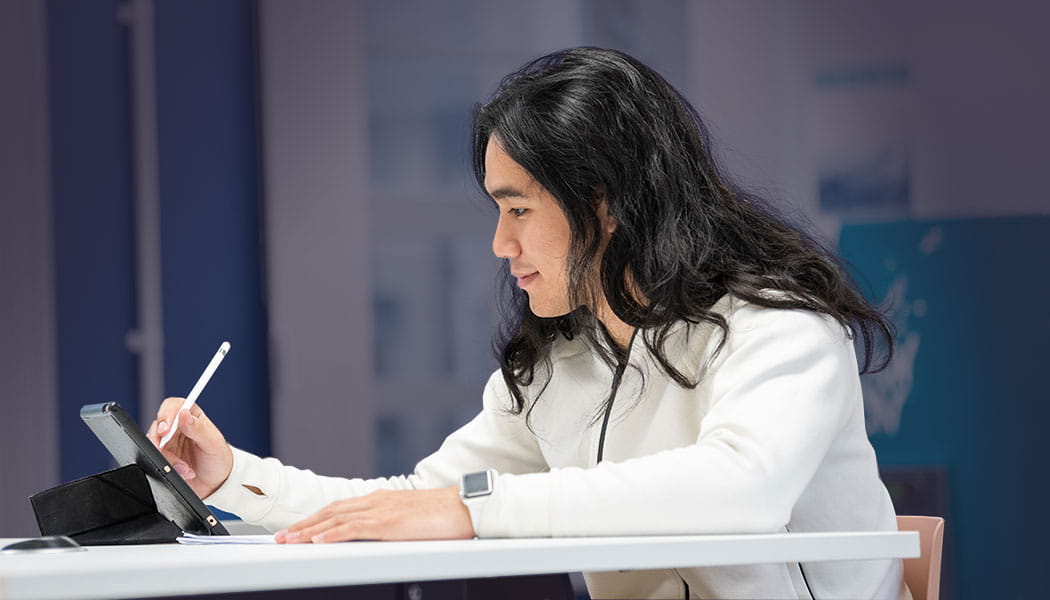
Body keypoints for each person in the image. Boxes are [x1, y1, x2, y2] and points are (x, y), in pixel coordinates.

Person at [149, 47, 909, 600]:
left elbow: (742, 488)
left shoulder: (779, 322)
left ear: (604, 204)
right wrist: (232, 479)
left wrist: (476, 509)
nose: (500, 244)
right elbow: (417, 501)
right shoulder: (559, 361)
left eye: (518, 209)